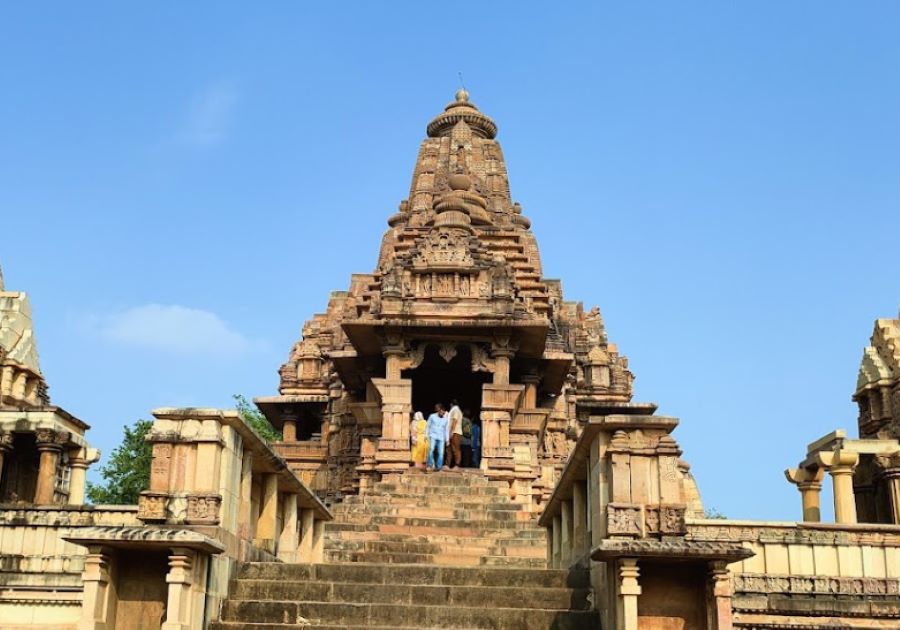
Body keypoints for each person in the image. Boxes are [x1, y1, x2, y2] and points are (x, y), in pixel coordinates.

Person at [425, 403, 449, 472]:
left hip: (441, 437)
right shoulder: (432, 416)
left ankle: (439, 467)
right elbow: (428, 426)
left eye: (444, 413)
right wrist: (426, 435)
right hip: (433, 436)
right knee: (431, 449)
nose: (442, 414)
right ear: (439, 411)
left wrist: (447, 440)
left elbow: (446, 430)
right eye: (441, 412)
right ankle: (429, 465)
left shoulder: (445, 419)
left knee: (441, 453)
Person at [447, 399, 463, 469]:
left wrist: (451, 431)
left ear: (451, 404)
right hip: (452, 431)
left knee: (456, 448)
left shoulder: (456, 410)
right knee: (449, 448)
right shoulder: (453, 410)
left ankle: (457, 464)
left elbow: (454, 420)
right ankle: (447, 464)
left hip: (455, 431)